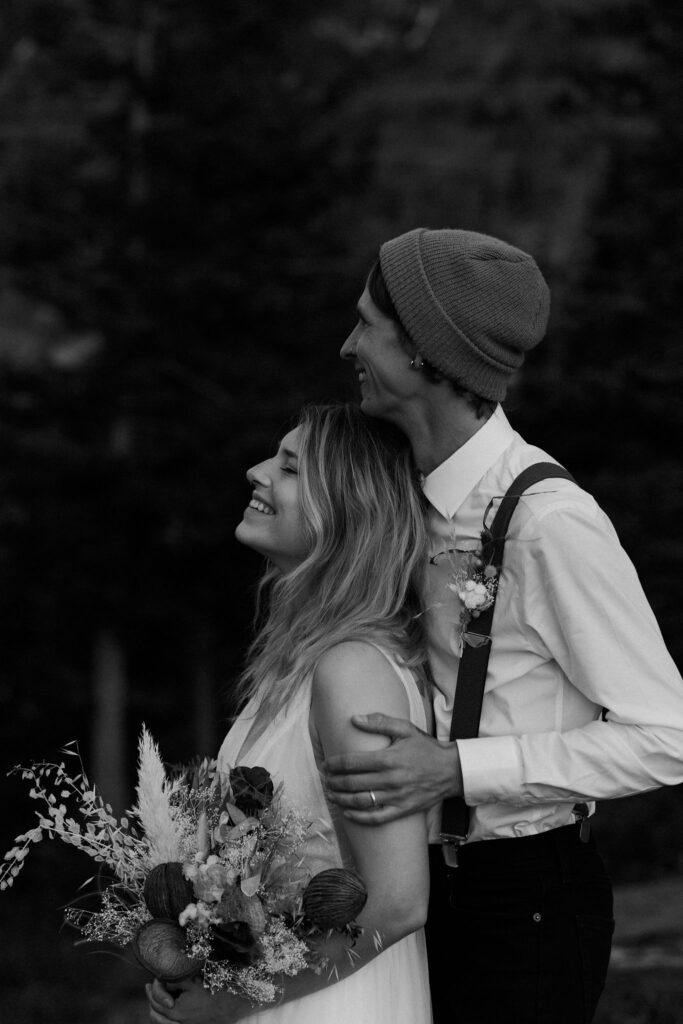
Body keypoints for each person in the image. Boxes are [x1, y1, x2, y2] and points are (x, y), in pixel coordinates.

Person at [325, 227, 683, 1023]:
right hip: (413, 890)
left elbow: (669, 736)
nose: (348, 344)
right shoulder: (392, 491)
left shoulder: (549, 522)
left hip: (524, 903)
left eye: (366, 325)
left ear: (421, 351)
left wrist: (457, 771)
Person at [146, 403, 434, 1024]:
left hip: (335, 1002)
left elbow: (399, 902)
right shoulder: (304, 663)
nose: (255, 472)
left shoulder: (353, 670)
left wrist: (227, 998)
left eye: (289, 467)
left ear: (346, 510)